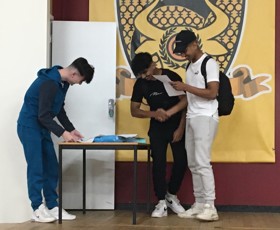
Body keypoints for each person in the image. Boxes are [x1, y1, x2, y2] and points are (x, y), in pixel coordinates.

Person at [17, 57, 95, 223]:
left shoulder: (62, 83)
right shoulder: (49, 83)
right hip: (29, 126)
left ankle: (52, 206)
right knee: (36, 167)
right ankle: (37, 208)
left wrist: (71, 129)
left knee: (51, 166)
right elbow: (43, 115)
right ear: (74, 74)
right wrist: (63, 133)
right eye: (81, 81)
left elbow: (59, 110)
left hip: (42, 127)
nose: (79, 84)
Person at [168, 30, 220, 221]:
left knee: (202, 161)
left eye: (185, 50)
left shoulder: (210, 64)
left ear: (195, 44)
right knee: (192, 162)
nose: (183, 54)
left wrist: (185, 87)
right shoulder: (189, 67)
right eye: (180, 51)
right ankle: (199, 204)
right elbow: (190, 97)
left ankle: (210, 206)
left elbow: (212, 93)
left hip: (206, 116)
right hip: (192, 116)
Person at [130, 52, 188, 218]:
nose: (144, 76)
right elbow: (134, 110)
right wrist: (154, 114)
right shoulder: (141, 83)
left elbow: (185, 102)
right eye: (140, 74)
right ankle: (161, 201)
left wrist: (178, 125)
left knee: (181, 161)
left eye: (145, 72)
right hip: (157, 128)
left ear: (153, 65)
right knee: (159, 164)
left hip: (177, 125)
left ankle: (171, 195)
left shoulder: (170, 76)